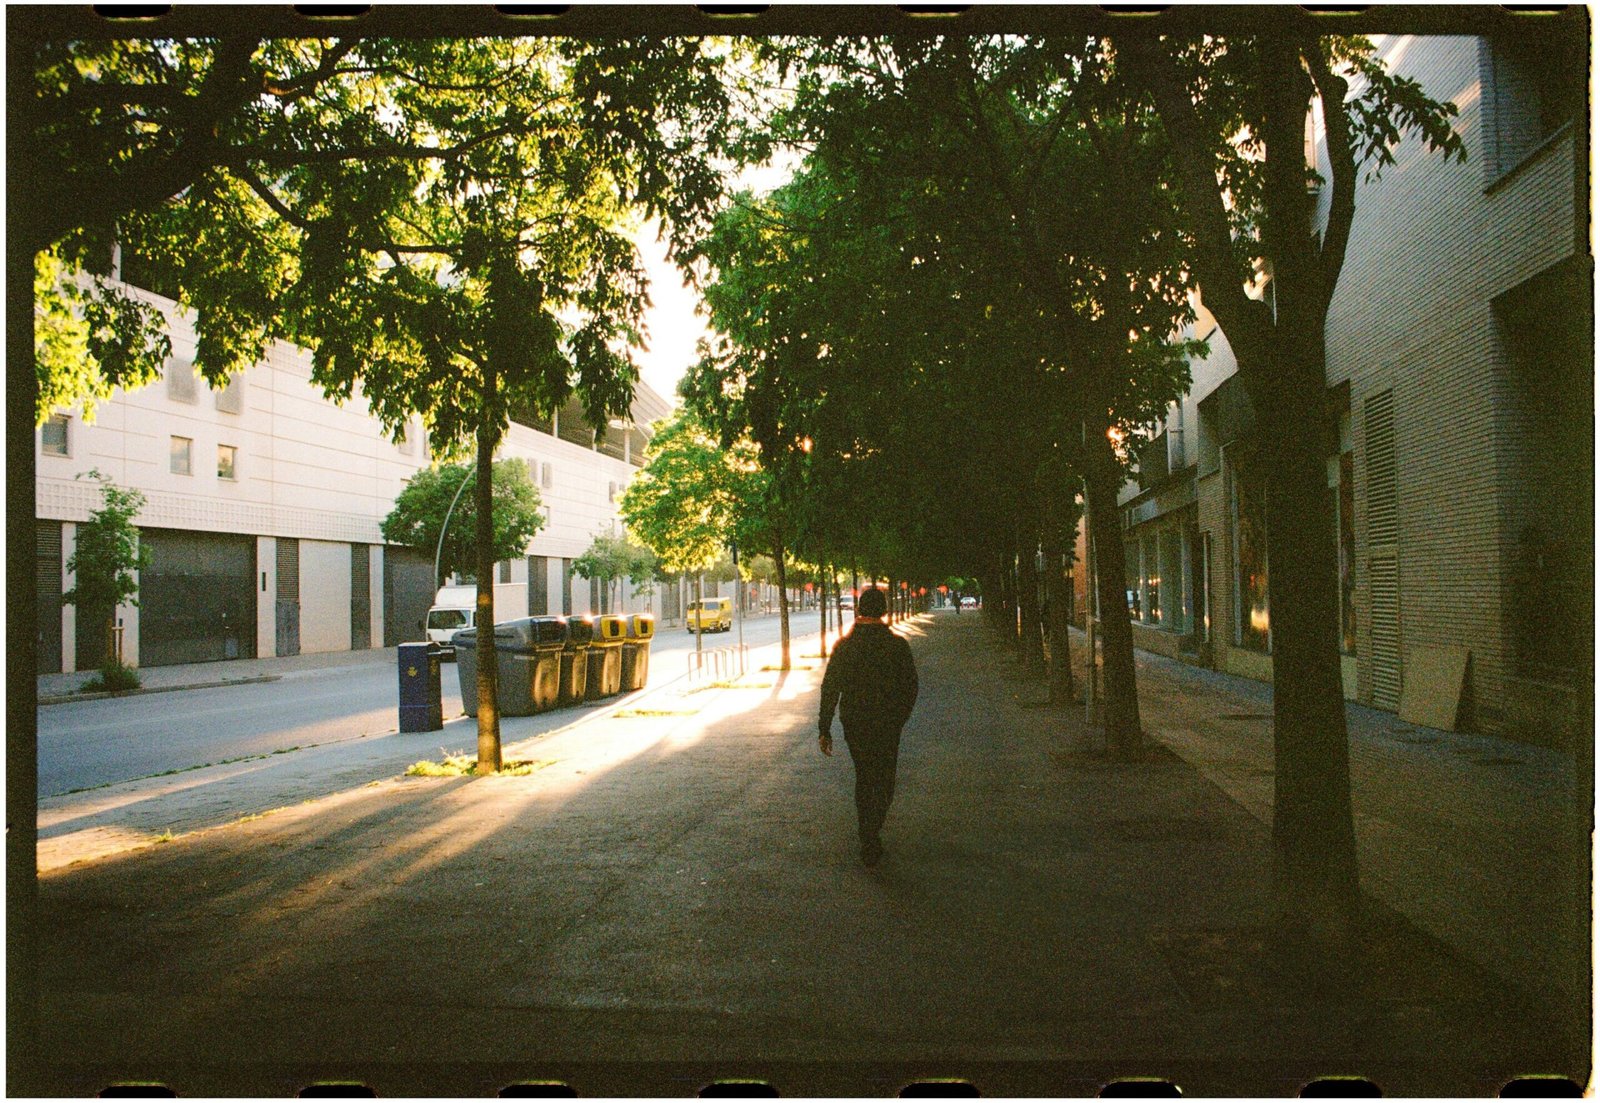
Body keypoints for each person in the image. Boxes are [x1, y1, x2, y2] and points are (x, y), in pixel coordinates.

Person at [817, 586, 919, 866]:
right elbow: (911, 686)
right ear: (884, 610)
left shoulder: (845, 646)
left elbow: (830, 688)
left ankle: (868, 835)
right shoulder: (897, 646)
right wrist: (900, 717)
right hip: (887, 724)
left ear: (860, 610)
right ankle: (874, 828)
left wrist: (824, 728)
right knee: (885, 778)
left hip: (855, 722)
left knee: (864, 776)